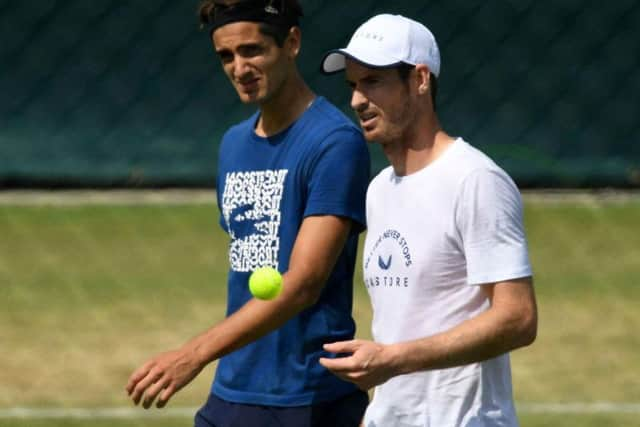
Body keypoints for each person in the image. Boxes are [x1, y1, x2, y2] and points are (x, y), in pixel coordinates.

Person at [125, 1, 371, 426]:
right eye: (226, 56)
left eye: (253, 51)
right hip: (233, 391)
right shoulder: (233, 144)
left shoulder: (336, 143)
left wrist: (193, 354)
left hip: (309, 398)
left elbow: (304, 284)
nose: (239, 68)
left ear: (291, 43)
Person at [318, 14, 538, 427]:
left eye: (373, 81)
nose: (357, 100)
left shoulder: (476, 180)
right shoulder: (379, 189)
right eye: (352, 85)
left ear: (420, 80)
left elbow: (518, 319)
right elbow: (401, 321)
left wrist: (393, 360)